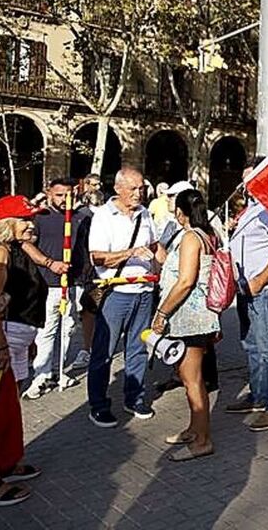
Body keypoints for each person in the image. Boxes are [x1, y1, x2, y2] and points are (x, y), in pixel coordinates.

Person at [0, 196, 45, 506]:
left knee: (2, 410)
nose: (31, 224)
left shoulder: (6, 252)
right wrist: (0, 345)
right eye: (25, 219)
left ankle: (0, 467)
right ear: (9, 225)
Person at [86, 167, 160, 428]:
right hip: (115, 293)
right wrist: (130, 253)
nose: (138, 193)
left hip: (144, 292)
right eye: (133, 188)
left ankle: (135, 398)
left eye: (141, 188)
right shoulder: (104, 216)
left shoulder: (145, 213)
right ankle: (98, 404)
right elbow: (97, 256)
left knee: (138, 349)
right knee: (104, 352)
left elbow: (153, 247)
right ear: (118, 188)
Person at [151, 189, 221, 461]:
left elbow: (185, 282)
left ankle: (203, 440)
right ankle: (195, 428)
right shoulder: (207, 234)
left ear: (181, 213)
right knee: (190, 377)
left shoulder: (193, 237)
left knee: (192, 380)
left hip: (190, 318)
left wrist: (162, 313)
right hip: (193, 317)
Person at [227, 157, 268, 432]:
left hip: (265, 291)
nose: (246, 184)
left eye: (252, 178)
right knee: (252, 346)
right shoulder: (252, 209)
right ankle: (259, 395)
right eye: (245, 179)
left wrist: (258, 281)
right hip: (246, 289)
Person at [21, 178, 87, 399]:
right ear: (49, 193)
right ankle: (41, 375)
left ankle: (60, 370)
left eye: (68, 194)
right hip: (48, 283)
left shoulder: (83, 217)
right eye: (59, 195)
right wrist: (49, 262)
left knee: (68, 328)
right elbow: (26, 243)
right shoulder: (40, 217)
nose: (64, 199)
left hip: (74, 282)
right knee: (46, 330)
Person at [73, 189, 105, 369]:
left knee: (90, 310)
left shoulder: (85, 216)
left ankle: (88, 348)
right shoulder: (84, 216)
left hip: (94, 272)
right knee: (91, 309)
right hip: (93, 272)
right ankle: (88, 348)